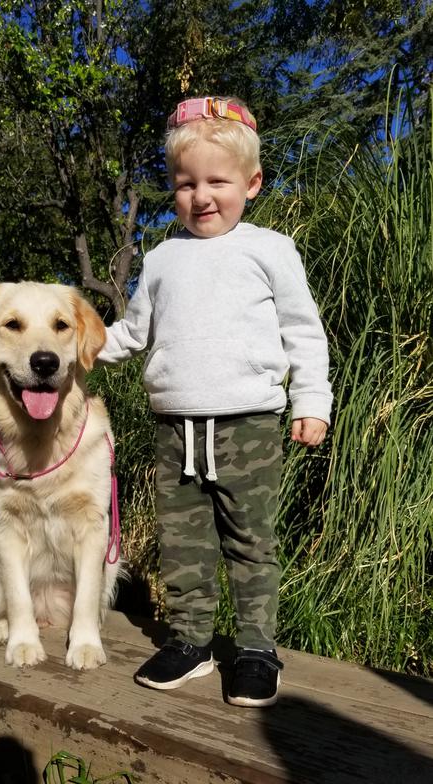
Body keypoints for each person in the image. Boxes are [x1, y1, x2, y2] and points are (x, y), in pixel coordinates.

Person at [99, 96, 332, 707]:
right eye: (185, 184)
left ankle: (256, 649)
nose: (201, 196)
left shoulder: (270, 249)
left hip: (247, 424)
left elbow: (303, 332)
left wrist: (311, 400)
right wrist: (76, 347)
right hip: (174, 428)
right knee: (183, 543)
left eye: (217, 182)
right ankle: (190, 642)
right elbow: (133, 333)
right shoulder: (161, 259)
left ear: (251, 183)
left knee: (251, 541)